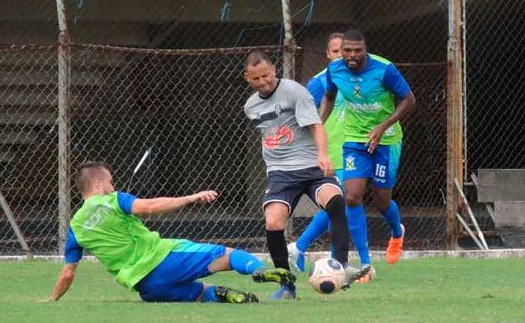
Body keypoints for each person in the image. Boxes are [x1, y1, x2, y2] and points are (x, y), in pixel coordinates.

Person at [43, 161, 296, 304]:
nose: (112, 186)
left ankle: (226, 295)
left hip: (146, 287)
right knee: (228, 255)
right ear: (98, 184)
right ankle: (258, 269)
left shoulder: (75, 227)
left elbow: (67, 273)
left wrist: (52, 300)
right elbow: (151, 206)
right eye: (110, 181)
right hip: (163, 258)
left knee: (198, 292)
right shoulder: (114, 200)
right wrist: (191, 197)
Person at [243, 51, 362, 300]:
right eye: (256, 79)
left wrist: (323, 155)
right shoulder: (250, 107)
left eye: (266, 75)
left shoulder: (295, 91)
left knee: (336, 200)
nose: (263, 81)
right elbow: (270, 134)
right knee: (273, 222)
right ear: (247, 78)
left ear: (274, 70)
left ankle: (339, 267)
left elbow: (316, 126)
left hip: (311, 166)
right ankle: (286, 284)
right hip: (280, 173)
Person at [319, 29, 416, 266]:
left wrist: (383, 126)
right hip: (354, 140)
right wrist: (318, 125)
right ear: (340, 51)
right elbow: (330, 96)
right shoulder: (335, 70)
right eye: (347, 51)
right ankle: (364, 263)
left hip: (386, 140)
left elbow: (409, 100)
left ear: (365, 49)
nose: (352, 55)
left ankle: (396, 232)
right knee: (351, 197)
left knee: (382, 200)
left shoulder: (384, 69)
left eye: (357, 50)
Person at [287, 32, 375, 283]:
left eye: (344, 51)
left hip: (354, 147)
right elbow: (301, 113)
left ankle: (300, 246)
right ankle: (365, 264)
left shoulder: (358, 77)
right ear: (328, 54)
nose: (341, 56)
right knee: (348, 202)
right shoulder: (319, 82)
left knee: (348, 202)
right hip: (331, 151)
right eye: (336, 52)